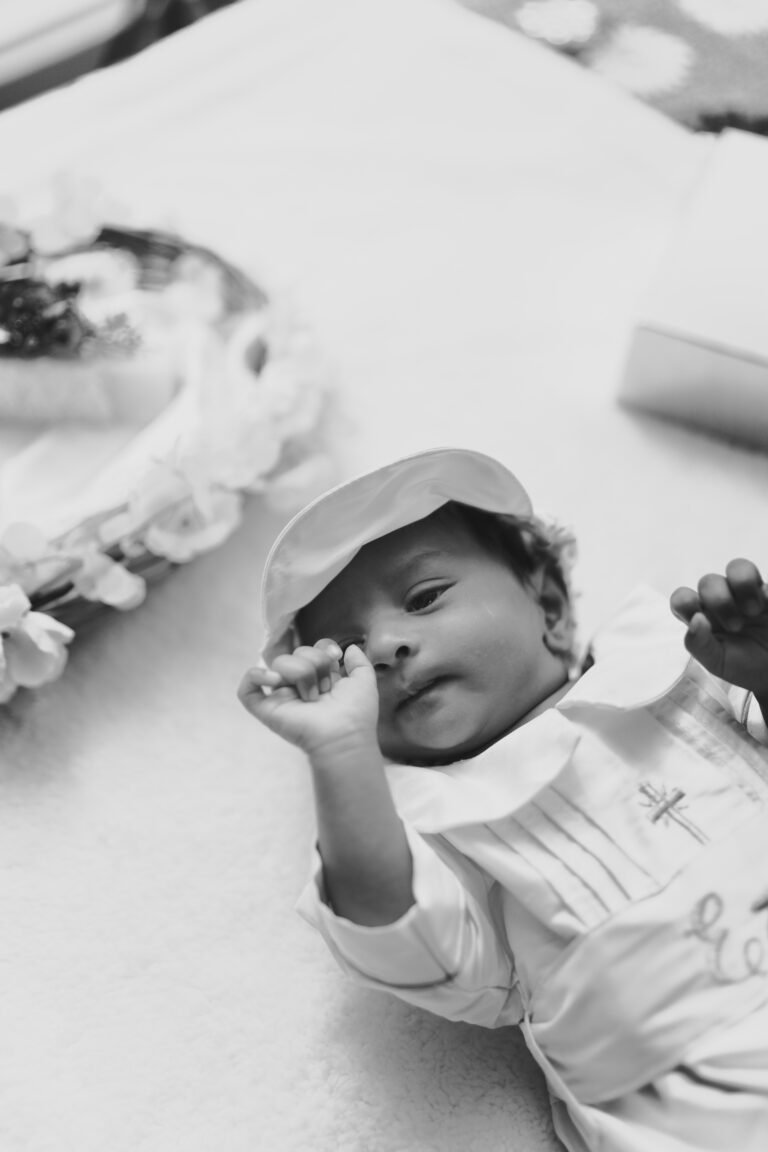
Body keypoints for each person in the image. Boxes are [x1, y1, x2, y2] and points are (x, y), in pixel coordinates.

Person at [238, 447, 768, 1152]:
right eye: (349, 651)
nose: (389, 646)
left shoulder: (685, 671)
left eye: (423, 598)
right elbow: (398, 936)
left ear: (547, 605)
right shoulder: (435, 830)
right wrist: (341, 753)